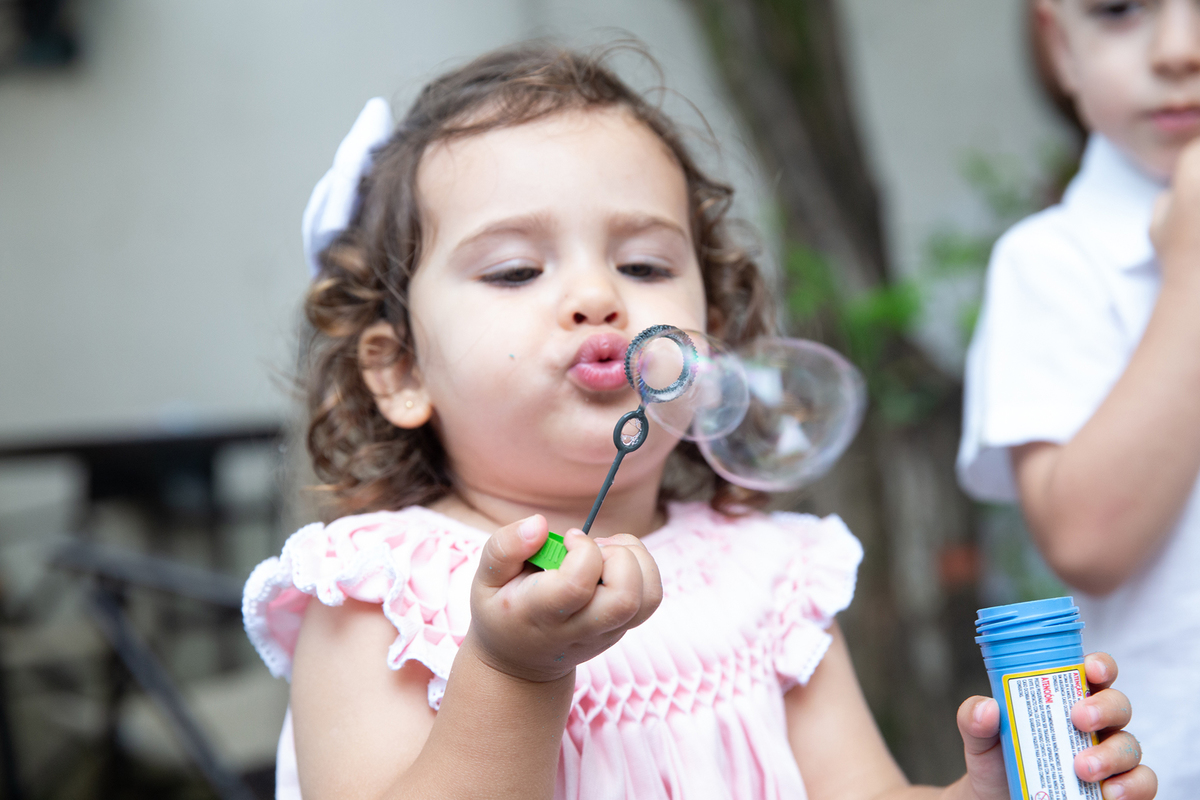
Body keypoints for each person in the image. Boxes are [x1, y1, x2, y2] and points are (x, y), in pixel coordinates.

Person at [244, 44, 1153, 800]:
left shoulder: (767, 578)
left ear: (713, 335)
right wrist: (515, 671)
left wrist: (995, 790)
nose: (597, 296)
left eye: (643, 264)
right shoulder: (377, 593)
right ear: (399, 371)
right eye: (518, 271)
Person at [958, 1, 1200, 797]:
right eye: (1120, 9)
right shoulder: (1051, 264)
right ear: (1060, 46)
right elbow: (1088, 537)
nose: (1179, 50)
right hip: (1163, 767)